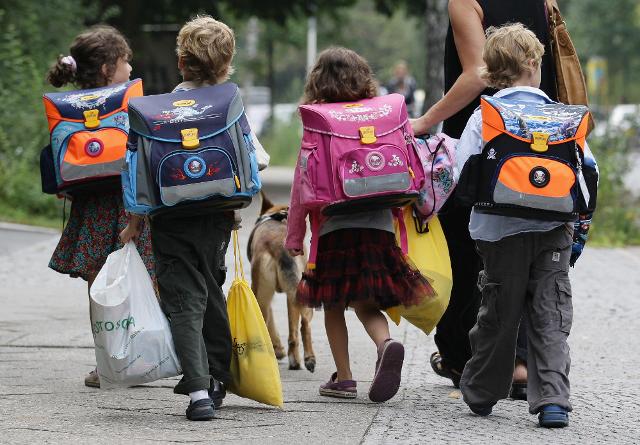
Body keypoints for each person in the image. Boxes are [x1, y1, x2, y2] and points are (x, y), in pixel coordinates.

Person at [121, 15, 269, 422]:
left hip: (170, 218)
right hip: (217, 218)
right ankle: (219, 375)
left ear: (182, 63)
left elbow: (135, 168)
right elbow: (258, 158)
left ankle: (200, 391)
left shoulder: (159, 110)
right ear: (227, 65)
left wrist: (134, 223)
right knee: (209, 285)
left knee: (185, 298)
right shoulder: (229, 104)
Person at [411, 0, 559, 399]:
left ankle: (463, 357)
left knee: (465, 248)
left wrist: (425, 122)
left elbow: (479, 73)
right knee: (533, 250)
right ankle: (523, 362)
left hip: (484, 139)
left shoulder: (464, 1)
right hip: (540, 141)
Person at [455, 23, 596, 428]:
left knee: (498, 313)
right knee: (550, 314)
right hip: (554, 231)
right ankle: (553, 401)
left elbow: (461, 171)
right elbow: (589, 171)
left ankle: (482, 393)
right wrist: (579, 228)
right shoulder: (563, 117)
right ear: (534, 63)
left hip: (499, 235)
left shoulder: (487, 117)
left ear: (491, 71)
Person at [285, 47, 434, 403]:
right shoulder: (384, 115)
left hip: (335, 229)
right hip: (380, 224)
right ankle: (386, 344)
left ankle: (345, 378)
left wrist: (294, 236)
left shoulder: (318, 120)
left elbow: (301, 187)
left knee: (334, 304)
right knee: (367, 302)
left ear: (317, 80)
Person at [46, 25, 154, 389]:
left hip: (90, 207)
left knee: (98, 288)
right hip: (126, 205)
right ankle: (140, 356)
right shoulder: (126, 102)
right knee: (139, 280)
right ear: (108, 68)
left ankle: (104, 363)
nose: (129, 68)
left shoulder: (70, 108)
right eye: (125, 61)